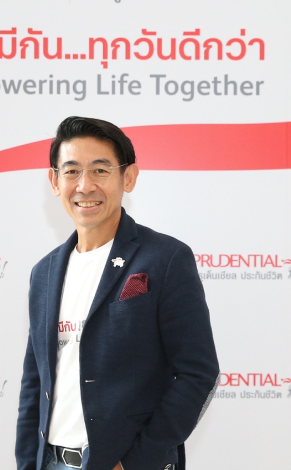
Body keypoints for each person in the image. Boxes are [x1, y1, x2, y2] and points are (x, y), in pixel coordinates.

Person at [16, 117, 219, 470]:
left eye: (100, 170)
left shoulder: (164, 259)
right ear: (54, 181)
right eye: (72, 171)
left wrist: (135, 463)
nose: (85, 186)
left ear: (128, 177)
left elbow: (198, 374)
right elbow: (35, 382)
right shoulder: (44, 273)